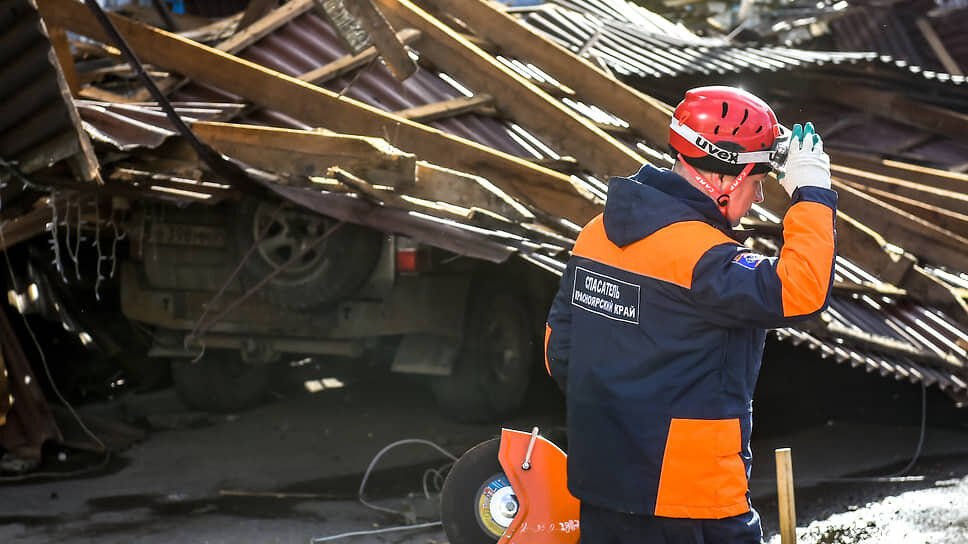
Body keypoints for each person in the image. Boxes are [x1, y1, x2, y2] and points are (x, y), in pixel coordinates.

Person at [543, 86, 837, 543]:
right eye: (757, 183)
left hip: (600, 483)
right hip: (691, 499)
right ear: (725, 181)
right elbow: (802, 290)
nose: (757, 199)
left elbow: (557, 353)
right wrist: (812, 194)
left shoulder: (594, 235)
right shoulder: (707, 261)